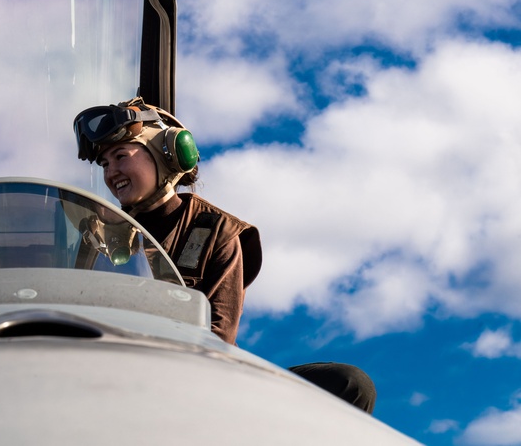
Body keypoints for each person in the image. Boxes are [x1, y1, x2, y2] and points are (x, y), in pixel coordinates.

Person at [73, 97, 376, 414]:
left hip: (198, 385)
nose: (112, 172)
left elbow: (217, 337)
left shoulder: (217, 231)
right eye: (105, 164)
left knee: (349, 384)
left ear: (168, 154)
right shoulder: (95, 236)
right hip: (108, 379)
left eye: (121, 155)